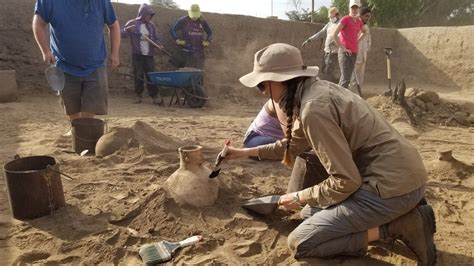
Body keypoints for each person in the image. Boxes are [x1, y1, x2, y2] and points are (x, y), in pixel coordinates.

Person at [224, 43, 436, 265]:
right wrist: (240, 152)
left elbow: (345, 181)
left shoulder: (314, 109)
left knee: (303, 242)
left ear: (278, 80)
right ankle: (399, 219)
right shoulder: (312, 92)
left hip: (391, 189)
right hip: (398, 178)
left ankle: (398, 225)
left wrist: (297, 197)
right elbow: (288, 147)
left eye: (261, 85)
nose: (264, 92)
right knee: (309, 214)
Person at [32, 0, 120, 121]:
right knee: (70, 104)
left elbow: (114, 26)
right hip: (64, 64)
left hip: (95, 64)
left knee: (92, 105)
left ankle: (84, 127)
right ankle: (76, 125)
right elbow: (39, 24)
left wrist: (115, 53)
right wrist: (45, 51)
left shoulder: (102, 2)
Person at [121, 3, 163, 105]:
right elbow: (121, 34)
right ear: (142, 14)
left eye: (150, 15)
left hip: (149, 55)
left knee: (151, 76)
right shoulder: (133, 23)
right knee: (138, 75)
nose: (149, 16)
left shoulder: (151, 26)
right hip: (137, 55)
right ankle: (138, 95)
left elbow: (156, 39)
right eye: (148, 14)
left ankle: (154, 95)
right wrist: (127, 30)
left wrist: (159, 45)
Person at [302, 7, 340, 83]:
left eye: (331, 17)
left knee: (328, 72)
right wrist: (309, 39)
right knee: (323, 70)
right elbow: (321, 33)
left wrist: (337, 42)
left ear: (337, 15)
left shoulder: (340, 24)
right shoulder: (329, 24)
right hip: (326, 51)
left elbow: (343, 36)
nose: (330, 18)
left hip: (333, 52)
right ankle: (333, 83)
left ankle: (329, 89)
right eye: (329, 17)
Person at [333, 0, 365, 89]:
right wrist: (343, 48)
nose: (354, 10)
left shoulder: (359, 22)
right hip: (345, 52)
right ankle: (340, 99)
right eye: (352, 8)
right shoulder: (345, 19)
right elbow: (334, 34)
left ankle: (338, 96)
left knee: (346, 77)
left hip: (354, 52)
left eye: (356, 8)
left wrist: (357, 41)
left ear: (359, 9)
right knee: (346, 78)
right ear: (349, 8)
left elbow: (364, 32)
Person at [170, 4, 213, 69]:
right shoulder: (183, 20)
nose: (194, 17)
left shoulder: (202, 21)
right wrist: (177, 40)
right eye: (193, 16)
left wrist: (208, 41)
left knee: (199, 73)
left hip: (199, 53)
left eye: (196, 16)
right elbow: (172, 29)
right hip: (187, 52)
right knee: (186, 71)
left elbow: (210, 32)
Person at [349, 7, 372, 95]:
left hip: (363, 56)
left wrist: (367, 47)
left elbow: (369, 39)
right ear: (361, 15)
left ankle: (358, 94)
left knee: (360, 77)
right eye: (366, 16)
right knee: (352, 77)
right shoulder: (354, 25)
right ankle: (351, 94)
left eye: (369, 16)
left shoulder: (366, 26)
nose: (368, 18)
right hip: (355, 54)